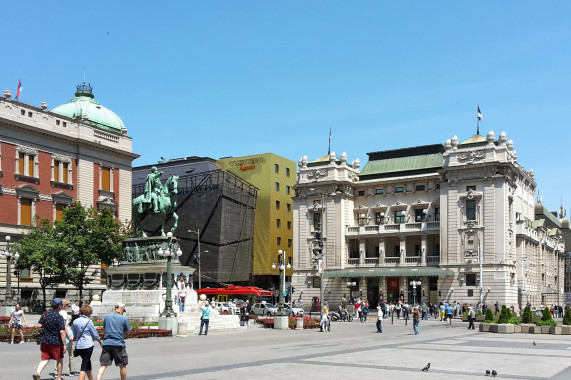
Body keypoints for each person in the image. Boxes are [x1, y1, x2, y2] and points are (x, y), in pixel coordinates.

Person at [33, 298, 67, 380]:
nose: (62, 306)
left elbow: (38, 325)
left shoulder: (45, 314)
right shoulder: (59, 317)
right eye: (61, 305)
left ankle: (37, 373)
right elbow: (62, 332)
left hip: (45, 341)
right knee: (59, 360)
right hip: (56, 342)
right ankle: (59, 377)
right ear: (59, 306)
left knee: (45, 358)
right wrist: (64, 344)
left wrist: (46, 326)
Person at [96, 303, 130, 380]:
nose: (123, 312)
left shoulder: (107, 317)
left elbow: (104, 329)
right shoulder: (124, 318)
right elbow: (128, 332)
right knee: (123, 365)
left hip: (106, 343)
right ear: (121, 309)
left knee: (103, 365)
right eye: (123, 311)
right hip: (118, 344)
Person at [73, 305, 102, 380]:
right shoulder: (89, 321)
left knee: (87, 362)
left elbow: (75, 334)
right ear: (89, 313)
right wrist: (99, 341)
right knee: (85, 365)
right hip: (87, 345)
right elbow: (94, 333)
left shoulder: (75, 321)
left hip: (79, 345)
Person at [54, 299, 75, 376]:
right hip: (65, 333)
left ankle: (56, 371)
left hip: (58, 334)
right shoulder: (64, 313)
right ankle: (72, 370)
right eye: (67, 305)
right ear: (64, 305)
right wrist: (69, 335)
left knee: (58, 354)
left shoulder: (57, 312)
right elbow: (64, 325)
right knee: (71, 353)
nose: (68, 306)